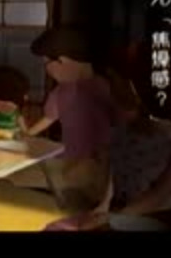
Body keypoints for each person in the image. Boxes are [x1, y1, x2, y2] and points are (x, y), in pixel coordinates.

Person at [45, 77, 171, 231]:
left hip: (157, 216)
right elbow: (110, 178)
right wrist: (102, 209)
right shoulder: (121, 132)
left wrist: (113, 217)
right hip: (120, 211)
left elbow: (159, 195)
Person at [23, 27, 119, 213]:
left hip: (98, 164)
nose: (47, 70)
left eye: (46, 64)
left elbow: (120, 130)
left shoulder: (104, 88)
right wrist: (26, 135)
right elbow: (48, 118)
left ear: (63, 60)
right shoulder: (60, 92)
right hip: (68, 160)